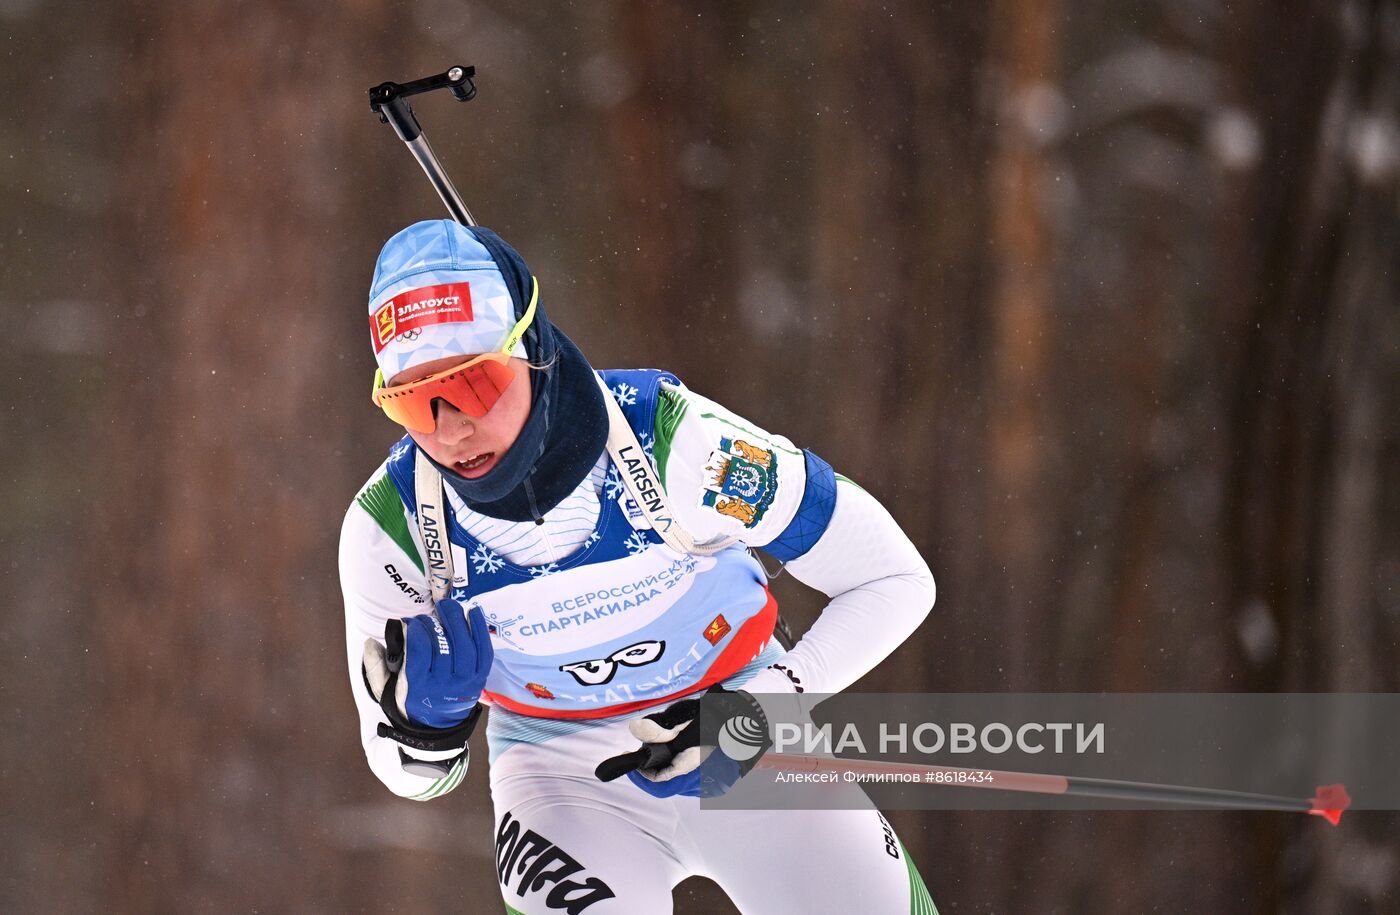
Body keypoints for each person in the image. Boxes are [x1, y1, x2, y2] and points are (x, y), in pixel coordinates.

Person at [340, 219, 939, 914]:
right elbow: (410, 776)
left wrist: (763, 704)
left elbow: (895, 578)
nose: (449, 430)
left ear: (530, 350)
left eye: (474, 386)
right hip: (560, 779)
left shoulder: (674, 442)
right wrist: (425, 726)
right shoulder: (393, 526)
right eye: (412, 400)